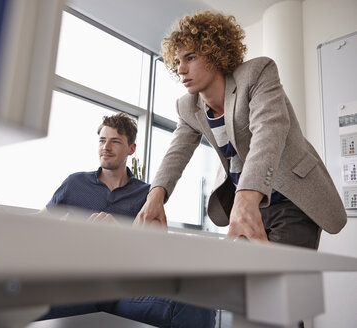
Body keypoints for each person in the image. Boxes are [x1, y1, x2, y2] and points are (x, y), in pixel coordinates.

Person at [134, 10, 347, 249]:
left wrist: (246, 195)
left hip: (291, 198)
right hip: (247, 202)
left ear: (215, 54)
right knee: (246, 280)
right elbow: (176, 153)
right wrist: (155, 196)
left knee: (282, 279)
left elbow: (269, 130)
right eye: (177, 62)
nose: (181, 69)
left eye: (190, 57)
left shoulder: (257, 73)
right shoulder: (187, 106)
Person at [39, 112, 216, 327]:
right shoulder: (74, 183)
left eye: (115, 142)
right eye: (102, 141)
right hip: (77, 287)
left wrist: (124, 234)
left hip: (125, 290)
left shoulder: (147, 195)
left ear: (131, 149)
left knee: (198, 299)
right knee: (17, 296)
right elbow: (39, 225)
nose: (106, 147)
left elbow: (157, 251)